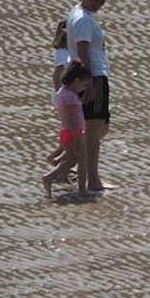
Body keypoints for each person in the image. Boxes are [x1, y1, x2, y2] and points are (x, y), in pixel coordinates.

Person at [67, 0, 114, 192]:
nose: (98, 5)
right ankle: (93, 180)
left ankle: (80, 170)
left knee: (97, 127)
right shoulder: (84, 19)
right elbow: (83, 49)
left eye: (102, 1)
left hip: (88, 75)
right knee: (94, 131)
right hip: (93, 76)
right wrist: (92, 82)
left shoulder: (78, 13)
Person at [43, 61, 92, 197]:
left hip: (67, 132)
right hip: (73, 132)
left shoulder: (63, 93)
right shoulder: (69, 96)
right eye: (84, 85)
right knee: (75, 159)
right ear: (76, 81)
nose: (84, 88)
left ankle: (55, 162)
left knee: (72, 158)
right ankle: (49, 177)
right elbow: (71, 118)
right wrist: (76, 135)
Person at [46, 20, 73, 169]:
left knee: (68, 128)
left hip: (67, 97)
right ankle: (57, 158)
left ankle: (60, 156)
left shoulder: (68, 52)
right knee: (69, 129)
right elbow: (57, 75)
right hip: (64, 98)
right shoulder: (63, 53)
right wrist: (60, 94)